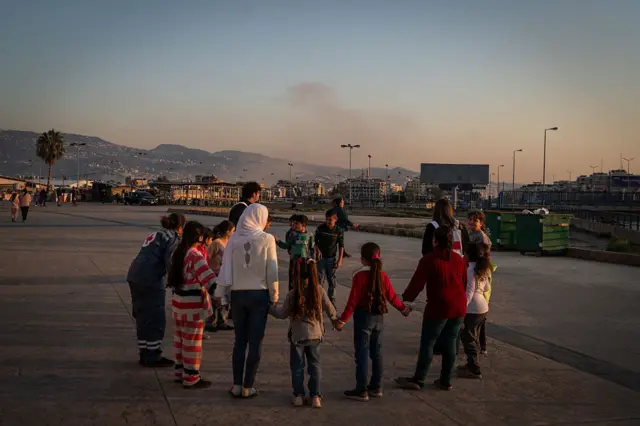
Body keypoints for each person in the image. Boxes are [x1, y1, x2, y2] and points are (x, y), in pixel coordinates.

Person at [214, 203, 279, 399]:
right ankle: (248, 386)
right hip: (259, 296)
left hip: (238, 296)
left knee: (239, 341)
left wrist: (220, 293)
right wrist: (274, 296)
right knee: (255, 342)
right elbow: (272, 271)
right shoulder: (267, 239)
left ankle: (236, 384)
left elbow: (225, 268)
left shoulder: (233, 239)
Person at [394, 226, 467, 391]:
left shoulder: (429, 259)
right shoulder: (459, 259)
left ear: (435, 241)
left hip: (439, 307)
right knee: (450, 341)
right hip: (459, 306)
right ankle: (445, 380)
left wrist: (406, 299)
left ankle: (418, 379)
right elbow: (464, 282)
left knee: (428, 342)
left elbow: (416, 284)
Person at [335, 242, 410, 402]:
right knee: (377, 353)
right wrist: (403, 309)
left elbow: (352, 301)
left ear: (362, 259)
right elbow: (392, 297)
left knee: (362, 354)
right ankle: (376, 386)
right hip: (379, 318)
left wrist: (342, 320)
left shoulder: (360, 276)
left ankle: (361, 389)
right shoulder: (383, 276)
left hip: (363, 317)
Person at [269, 260, 338, 409]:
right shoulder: (319, 290)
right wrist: (336, 321)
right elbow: (331, 310)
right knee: (315, 366)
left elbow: (282, 314)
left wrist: (270, 308)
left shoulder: (293, 293)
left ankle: (298, 395)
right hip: (315, 335)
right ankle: (315, 397)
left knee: (297, 367)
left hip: (297, 336)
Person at [126, 213, 186, 368]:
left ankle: (145, 352)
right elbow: (170, 261)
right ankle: (152, 355)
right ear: (180, 227)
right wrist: (176, 283)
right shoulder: (172, 238)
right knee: (155, 316)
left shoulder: (156, 234)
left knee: (142, 315)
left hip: (135, 275)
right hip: (150, 278)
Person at [167, 221, 217, 389]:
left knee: (180, 340)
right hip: (192, 306)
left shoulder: (178, 252)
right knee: (192, 342)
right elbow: (209, 279)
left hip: (178, 304)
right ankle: (191, 377)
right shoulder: (195, 255)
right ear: (200, 237)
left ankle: (179, 372)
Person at [457, 243, 492, 379]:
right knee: (473, 337)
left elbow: (469, 293)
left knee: (467, 337)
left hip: (473, 309)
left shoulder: (470, 270)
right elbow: (487, 288)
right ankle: (471, 363)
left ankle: (474, 368)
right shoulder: (483, 268)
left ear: (468, 255)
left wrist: (461, 308)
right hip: (483, 308)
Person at [466, 210, 495, 354]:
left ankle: (481, 347)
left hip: (480, 273)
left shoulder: (482, 238)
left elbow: (483, 259)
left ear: (481, 223)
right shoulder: (471, 235)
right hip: (477, 272)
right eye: (470, 219)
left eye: (475, 220)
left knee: (479, 316)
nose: (471, 222)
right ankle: (481, 346)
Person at [205, 220, 235, 332]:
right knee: (215, 299)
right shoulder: (216, 243)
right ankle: (212, 321)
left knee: (225, 299)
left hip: (226, 274)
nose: (234, 233)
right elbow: (207, 257)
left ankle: (222, 321)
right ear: (227, 231)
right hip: (215, 274)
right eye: (232, 231)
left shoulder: (229, 242)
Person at [277, 214, 316, 290]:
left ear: (303, 224)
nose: (294, 225)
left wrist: (312, 260)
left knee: (304, 281)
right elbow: (286, 245)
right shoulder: (292, 235)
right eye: (294, 223)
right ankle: (292, 297)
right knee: (293, 280)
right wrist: (277, 241)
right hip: (294, 261)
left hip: (305, 262)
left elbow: (312, 249)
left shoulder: (310, 235)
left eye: (297, 223)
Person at [315, 209, 344, 305]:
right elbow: (315, 242)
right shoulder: (320, 228)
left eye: (330, 220)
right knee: (320, 280)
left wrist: (340, 260)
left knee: (331, 281)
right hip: (321, 259)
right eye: (326, 219)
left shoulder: (338, 230)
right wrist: (317, 250)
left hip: (331, 259)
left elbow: (341, 246)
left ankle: (331, 303)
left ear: (335, 219)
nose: (328, 222)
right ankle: (320, 301)